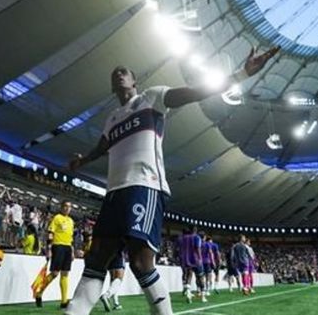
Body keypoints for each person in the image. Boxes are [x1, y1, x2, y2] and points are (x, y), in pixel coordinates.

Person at [64, 46, 279, 315]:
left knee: (141, 263)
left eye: (124, 72)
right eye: (115, 74)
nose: (118, 74)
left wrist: (241, 74)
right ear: (112, 86)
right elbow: (101, 147)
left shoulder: (151, 97)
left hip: (144, 186)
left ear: (134, 80)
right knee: (95, 260)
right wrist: (83, 160)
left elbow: (195, 92)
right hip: (113, 193)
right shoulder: (112, 118)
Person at [34, 201, 75, 309]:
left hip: (67, 247)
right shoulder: (57, 218)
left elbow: (71, 237)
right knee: (55, 273)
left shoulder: (71, 221)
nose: (67, 208)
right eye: (65, 206)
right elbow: (50, 233)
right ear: (61, 207)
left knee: (65, 274)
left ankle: (64, 301)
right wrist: (49, 249)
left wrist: (72, 250)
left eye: (69, 207)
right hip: (58, 246)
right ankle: (39, 293)